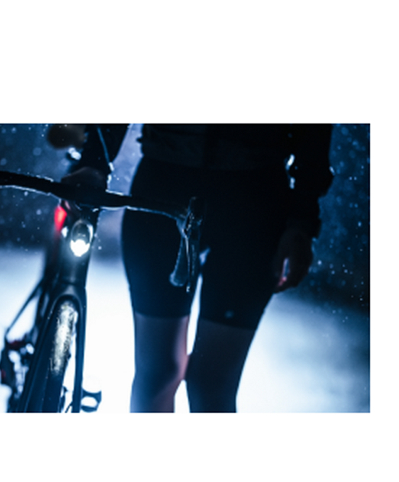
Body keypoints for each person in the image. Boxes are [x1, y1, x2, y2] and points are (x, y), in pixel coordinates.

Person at [48, 124, 333, 412]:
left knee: (186, 379)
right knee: (187, 380)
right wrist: (94, 163)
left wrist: (303, 217)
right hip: (236, 192)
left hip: (210, 189)